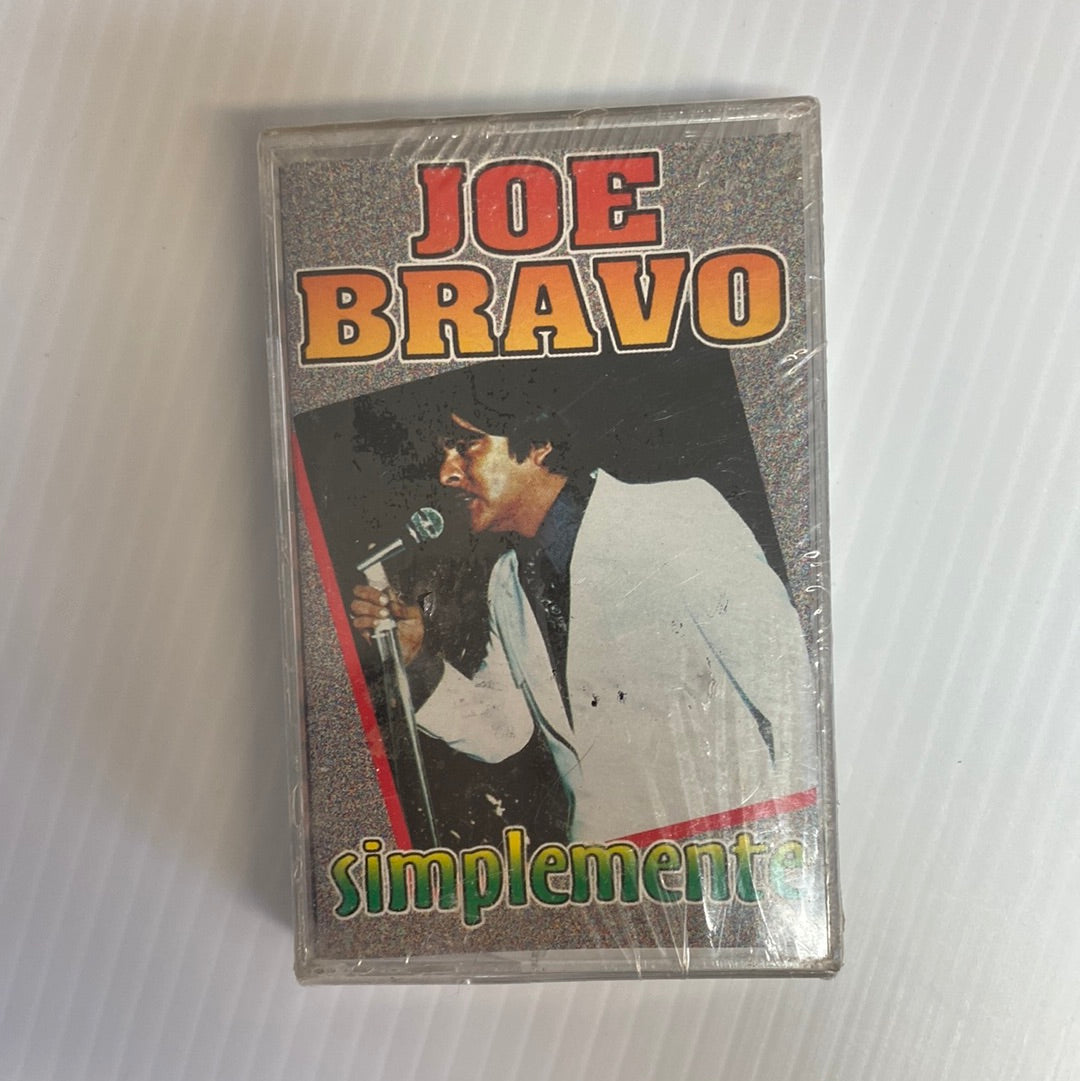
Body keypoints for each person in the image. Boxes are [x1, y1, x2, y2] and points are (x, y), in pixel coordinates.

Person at [350, 396, 817, 844]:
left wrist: (788, 843)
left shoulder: (675, 514)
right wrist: (418, 658)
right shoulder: (506, 580)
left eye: (465, 445)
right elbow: (502, 732)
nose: (446, 473)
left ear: (538, 445)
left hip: (723, 855)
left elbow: (789, 688)